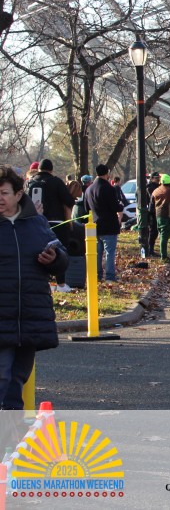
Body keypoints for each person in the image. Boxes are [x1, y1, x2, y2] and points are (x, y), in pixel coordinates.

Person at [0, 166, 65, 417]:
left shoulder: (36, 223)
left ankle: (11, 431)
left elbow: (62, 258)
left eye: (4, 193)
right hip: (3, 314)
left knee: (18, 376)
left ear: (18, 194)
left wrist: (54, 258)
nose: (0, 199)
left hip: (30, 314)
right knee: (2, 375)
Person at [26, 159, 75, 292]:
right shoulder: (56, 181)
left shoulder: (30, 182)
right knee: (59, 251)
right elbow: (69, 200)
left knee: (38, 252)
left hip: (36, 222)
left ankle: (45, 281)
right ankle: (61, 283)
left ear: (39, 169)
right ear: (51, 170)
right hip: (57, 222)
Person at [83, 164, 123, 282]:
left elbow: (86, 208)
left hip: (94, 224)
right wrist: (121, 206)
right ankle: (110, 276)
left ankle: (97, 275)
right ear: (107, 173)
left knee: (97, 252)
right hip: (109, 224)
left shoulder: (89, 189)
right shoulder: (108, 188)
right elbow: (114, 206)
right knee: (110, 252)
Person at [151, 174, 170, 260]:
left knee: (163, 233)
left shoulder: (156, 190)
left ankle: (164, 254)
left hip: (159, 214)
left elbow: (152, 202)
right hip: (168, 213)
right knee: (165, 234)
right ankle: (163, 256)